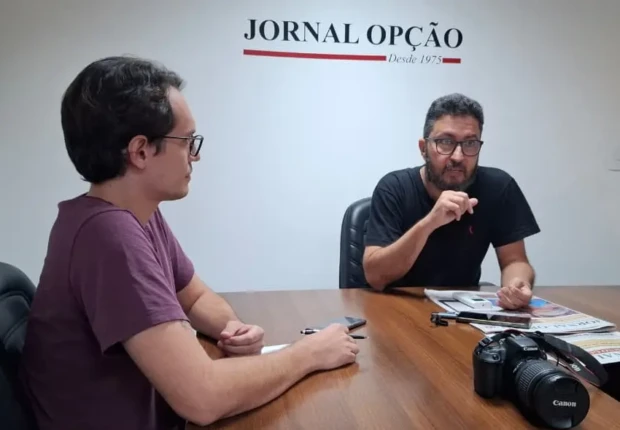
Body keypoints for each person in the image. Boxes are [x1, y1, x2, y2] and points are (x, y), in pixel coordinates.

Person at [19, 56, 359, 430]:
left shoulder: (133, 215)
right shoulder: (108, 235)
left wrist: (230, 326)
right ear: (140, 151)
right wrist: (310, 353)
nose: (195, 155)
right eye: (187, 141)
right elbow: (202, 398)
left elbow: (194, 297)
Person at [362, 93, 540, 310]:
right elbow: (375, 276)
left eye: (470, 143)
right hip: (395, 310)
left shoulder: (499, 187)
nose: (458, 156)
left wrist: (517, 284)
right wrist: (430, 222)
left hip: (462, 312)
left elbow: (515, 260)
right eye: (445, 142)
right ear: (423, 148)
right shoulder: (394, 188)